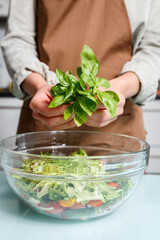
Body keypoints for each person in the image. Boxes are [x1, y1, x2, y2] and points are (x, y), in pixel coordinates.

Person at [1, 0, 160, 140]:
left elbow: (154, 47)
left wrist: (116, 90)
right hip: (44, 126)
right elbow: (18, 41)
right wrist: (38, 86)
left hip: (119, 134)